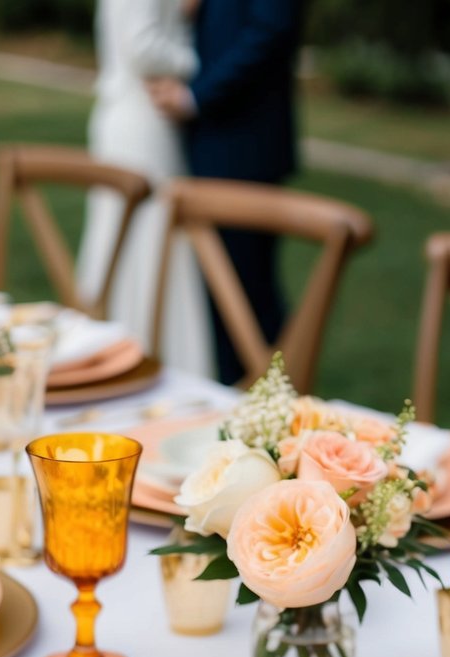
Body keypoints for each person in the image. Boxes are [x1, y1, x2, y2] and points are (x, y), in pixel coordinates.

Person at [148, 0, 306, 385]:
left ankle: (272, 402)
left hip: (244, 144)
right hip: (211, 143)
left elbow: (270, 31)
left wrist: (196, 96)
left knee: (246, 292)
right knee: (220, 293)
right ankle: (231, 398)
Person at [77, 0, 215, 378]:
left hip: (127, 114)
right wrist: (199, 58)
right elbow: (144, 48)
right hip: (143, 118)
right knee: (150, 235)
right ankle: (145, 351)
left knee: (136, 236)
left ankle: (127, 348)